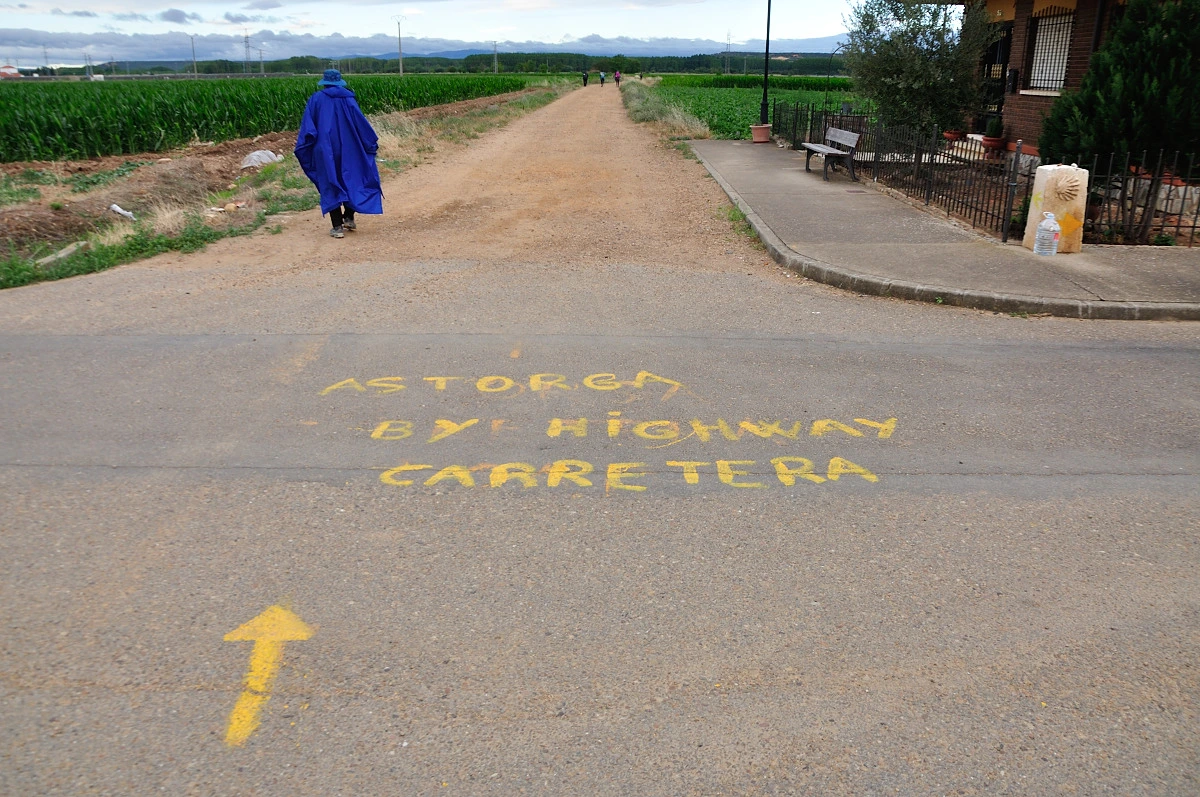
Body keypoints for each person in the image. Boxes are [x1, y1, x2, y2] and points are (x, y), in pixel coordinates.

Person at [294, 69, 383, 239]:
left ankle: (337, 227)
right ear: (339, 82)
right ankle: (349, 217)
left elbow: (308, 129)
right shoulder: (349, 99)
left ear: (325, 83)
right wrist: (370, 143)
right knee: (353, 179)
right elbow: (361, 123)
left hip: (325, 149)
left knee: (330, 182)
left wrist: (306, 146)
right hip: (351, 148)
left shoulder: (316, 99)